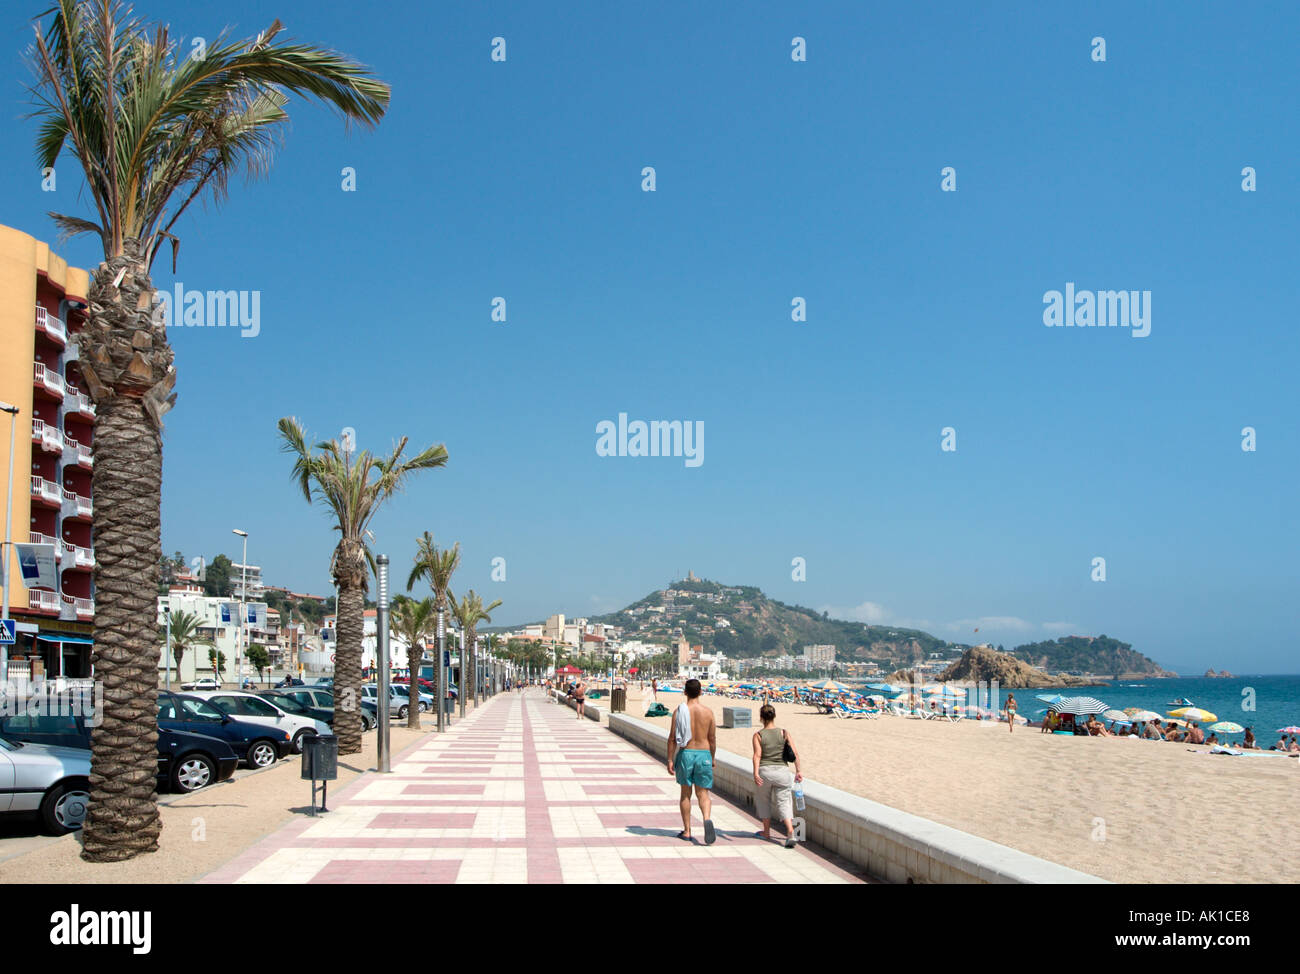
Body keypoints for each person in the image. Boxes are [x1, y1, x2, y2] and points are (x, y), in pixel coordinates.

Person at [666, 678, 717, 843]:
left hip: (686, 753)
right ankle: (707, 818)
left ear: (685, 692)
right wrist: (713, 757)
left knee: (685, 794)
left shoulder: (679, 711)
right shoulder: (708, 712)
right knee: (703, 793)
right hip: (703, 754)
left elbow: (672, 738)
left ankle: (687, 830)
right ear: (701, 692)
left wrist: (670, 759)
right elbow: (712, 739)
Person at [752, 704, 802, 848]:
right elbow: (795, 753)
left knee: (764, 801)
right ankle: (790, 831)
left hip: (765, 771)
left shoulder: (758, 735)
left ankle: (766, 832)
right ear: (774, 716)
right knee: (784, 803)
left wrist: (755, 772)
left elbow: (757, 755)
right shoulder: (784, 733)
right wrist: (798, 771)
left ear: (761, 718)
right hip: (782, 772)